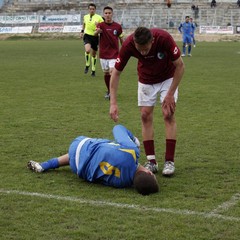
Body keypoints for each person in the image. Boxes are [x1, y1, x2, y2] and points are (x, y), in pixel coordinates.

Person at [109, 27, 185, 176]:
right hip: (146, 79)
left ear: (152, 41)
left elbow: (180, 66)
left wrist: (170, 94)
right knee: (145, 115)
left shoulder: (163, 38)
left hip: (168, 77)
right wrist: (113, 102)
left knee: (168, 114)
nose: (143, 53)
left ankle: (169, 161)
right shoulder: (129, 44)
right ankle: (151, 161)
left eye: (146, 49)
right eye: (139, 49)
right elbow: (116, 73)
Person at [27, 124, 159, 195]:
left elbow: (117, 128)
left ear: (149, 172)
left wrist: (134, 141)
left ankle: (45, 165)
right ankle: (44, 165)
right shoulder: (123, 183)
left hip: (79, 145)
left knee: (101, 148)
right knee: (93, 158)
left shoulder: (132, 153)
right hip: (78, 169)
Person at [95, 6, 123, 100]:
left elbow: (121, 38)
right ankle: (109, 91)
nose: (107, 15)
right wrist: (97, 32)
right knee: (106, 73)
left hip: (114, 54)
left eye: (109, 13)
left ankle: (112, 92)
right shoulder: (100, 25)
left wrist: (124, 49)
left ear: (112, 14)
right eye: (106, 13)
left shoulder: (118, 26)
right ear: (103, 14)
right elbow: (95, 33)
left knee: (112, 72)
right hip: (103, 54)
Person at [80, 3, 104, 77]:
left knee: (93, 54)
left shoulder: (99, 18)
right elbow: (84, 24)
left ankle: (93, 70)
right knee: (87, 50)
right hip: (87, 36)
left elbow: (103, 27)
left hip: (95, 37)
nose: (92, 10)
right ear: (88, 9)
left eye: (93, 9)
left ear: (95, 10)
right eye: (90, 9)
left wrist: (98, 26)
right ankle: (87, 64)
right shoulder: (85, 17)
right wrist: (82, 31)